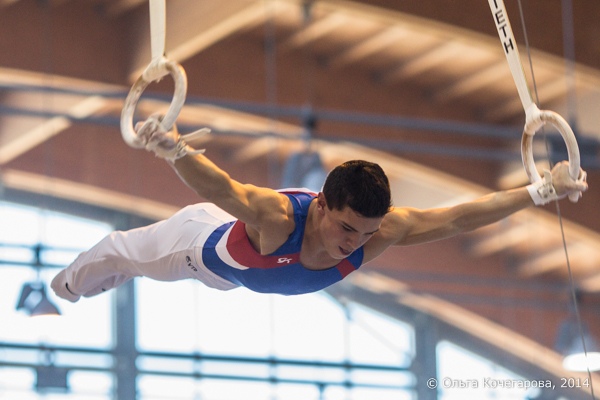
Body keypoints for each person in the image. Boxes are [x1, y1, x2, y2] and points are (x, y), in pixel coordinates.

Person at [51, 116, 588, 301]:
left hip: (238, 281)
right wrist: (176, 151)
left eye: (367, 232)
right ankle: (63, 289)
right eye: (349, 227)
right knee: (121, 254)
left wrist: (539, 191)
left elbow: (459, 217)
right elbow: (222, 189)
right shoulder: (278, 217)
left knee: (129, 265)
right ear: (323, 206)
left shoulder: (379, 231)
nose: (356, 243)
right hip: (197, 248)